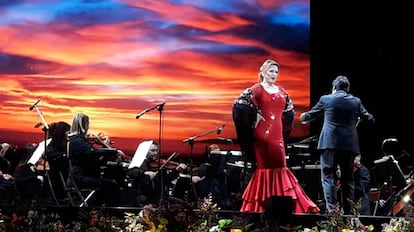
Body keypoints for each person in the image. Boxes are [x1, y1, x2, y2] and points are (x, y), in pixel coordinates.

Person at [232, 59, 320, 213]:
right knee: (271, 167)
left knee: (279, 166)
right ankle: (264, 206)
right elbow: (239, 106)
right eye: (271, 71)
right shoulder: (257, 89)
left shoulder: (282, 91)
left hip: (277, 135)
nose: (273, 74)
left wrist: (286, 122)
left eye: (276, 72)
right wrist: (254, 118)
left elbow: (289, 113)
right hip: (262, 135)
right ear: (263, 72)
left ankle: (276, 206)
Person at [300, 75, 375, 214]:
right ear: (348, 89)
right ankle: (348, 213)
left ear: (334, 88)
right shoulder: (356, 101)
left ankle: (332, 211)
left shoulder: (326, 99)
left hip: (329, 143)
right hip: (349, 145)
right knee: (348, 179)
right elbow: (370, 119)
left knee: (328, 176)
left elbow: (310, 116)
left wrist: (302, 116)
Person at [67, 112, 125, 206]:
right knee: (111, 185)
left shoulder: (75, 140)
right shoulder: (78, 141)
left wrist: (103, 146)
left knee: (108, 184)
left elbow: (93, 159)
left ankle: (100, 212)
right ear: (84, 125)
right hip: (81, 179)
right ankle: (112, 214)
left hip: (80, 177)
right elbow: (93, 152)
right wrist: (114, 151)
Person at [126, 140, 188, 207]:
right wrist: (144, 172)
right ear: (145, 151)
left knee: (182, 204)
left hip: (158, 198)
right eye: (152, 150)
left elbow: (165, 180)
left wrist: (176, 171)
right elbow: (130, 172)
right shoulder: (138, 162)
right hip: (144, 197)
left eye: (157, 150)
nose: (155, 153)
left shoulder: (158, 164)